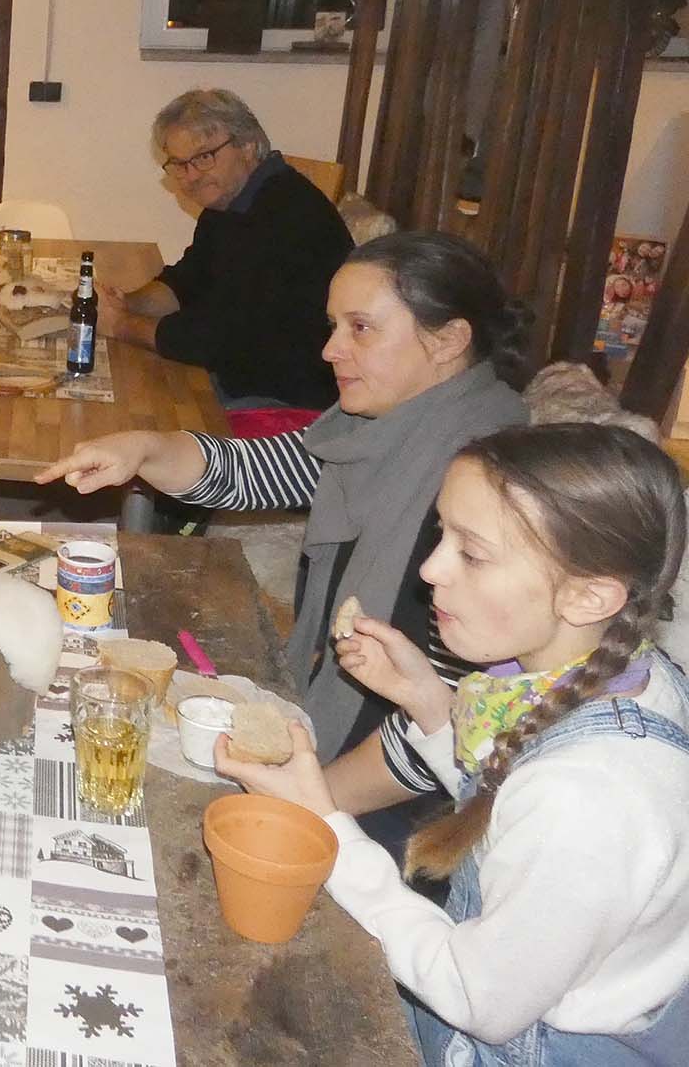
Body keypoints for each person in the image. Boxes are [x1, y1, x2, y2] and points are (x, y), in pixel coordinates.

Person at [219, 423, 689, 1064]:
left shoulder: (589, 797)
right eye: (442, 534)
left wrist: (327, 832)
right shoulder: (629, 676)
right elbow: (508, 804)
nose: (430, 568)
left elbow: (478, 1000)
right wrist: (430, 706)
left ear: (588, 596)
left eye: (473, 554)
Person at [36, 231, 531, 815]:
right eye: (334, 326)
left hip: (405, 810)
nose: (331, 350)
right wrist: (144, 448)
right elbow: (256, 471)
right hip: (337, 745)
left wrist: (301, 805)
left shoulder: (486, 488)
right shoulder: (383, 428)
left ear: (448, 339)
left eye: (361, 328)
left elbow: (452, 721)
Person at [99, 88, 352, 410]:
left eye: (204, 158)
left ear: (248, 146)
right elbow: (188, 281)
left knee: (133, 403)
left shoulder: (288, 216)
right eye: (180, 164)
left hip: (284, 401)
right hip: (239, 374)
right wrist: (125, 303)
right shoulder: (231, 203)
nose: (191, 176)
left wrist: (122, 325)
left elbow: (218, 339)